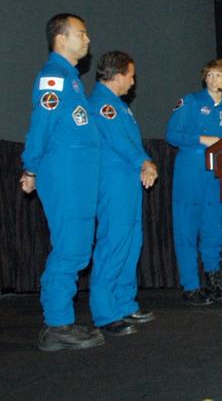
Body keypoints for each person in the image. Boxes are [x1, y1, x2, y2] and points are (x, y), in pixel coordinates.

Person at [19, 13, 105, 350]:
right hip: (65, 176)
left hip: (78, 176)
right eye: (81, 34)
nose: (87, 40)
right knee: (69, 247)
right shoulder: (53, 77)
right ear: (61, 38)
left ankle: (63, 320)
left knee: (78, 247)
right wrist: (31, 169)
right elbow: (41, 126)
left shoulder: (69, 79)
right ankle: (55, 324)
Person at [89, 51, 158, 337]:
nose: (133, 81)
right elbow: (120, 143)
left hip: (129, 181)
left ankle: (124, 303)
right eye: (131, 75)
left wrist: (145, 163)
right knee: (114, 243)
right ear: (117, 76)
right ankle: (106, 313)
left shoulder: (118, 106)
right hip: (113, 182)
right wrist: (143, 162)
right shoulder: (103, 106)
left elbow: (132, 142)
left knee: (131, 244)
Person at [166, 58, 222, 305]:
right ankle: (191, 285)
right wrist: (201, 138)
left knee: (214, 227)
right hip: (191, 172)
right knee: (187, 228)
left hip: (217, 175)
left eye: (218, 76)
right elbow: (172, 134)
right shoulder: (190, 102)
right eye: (209, 75)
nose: (212, 80)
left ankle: (213, 280)